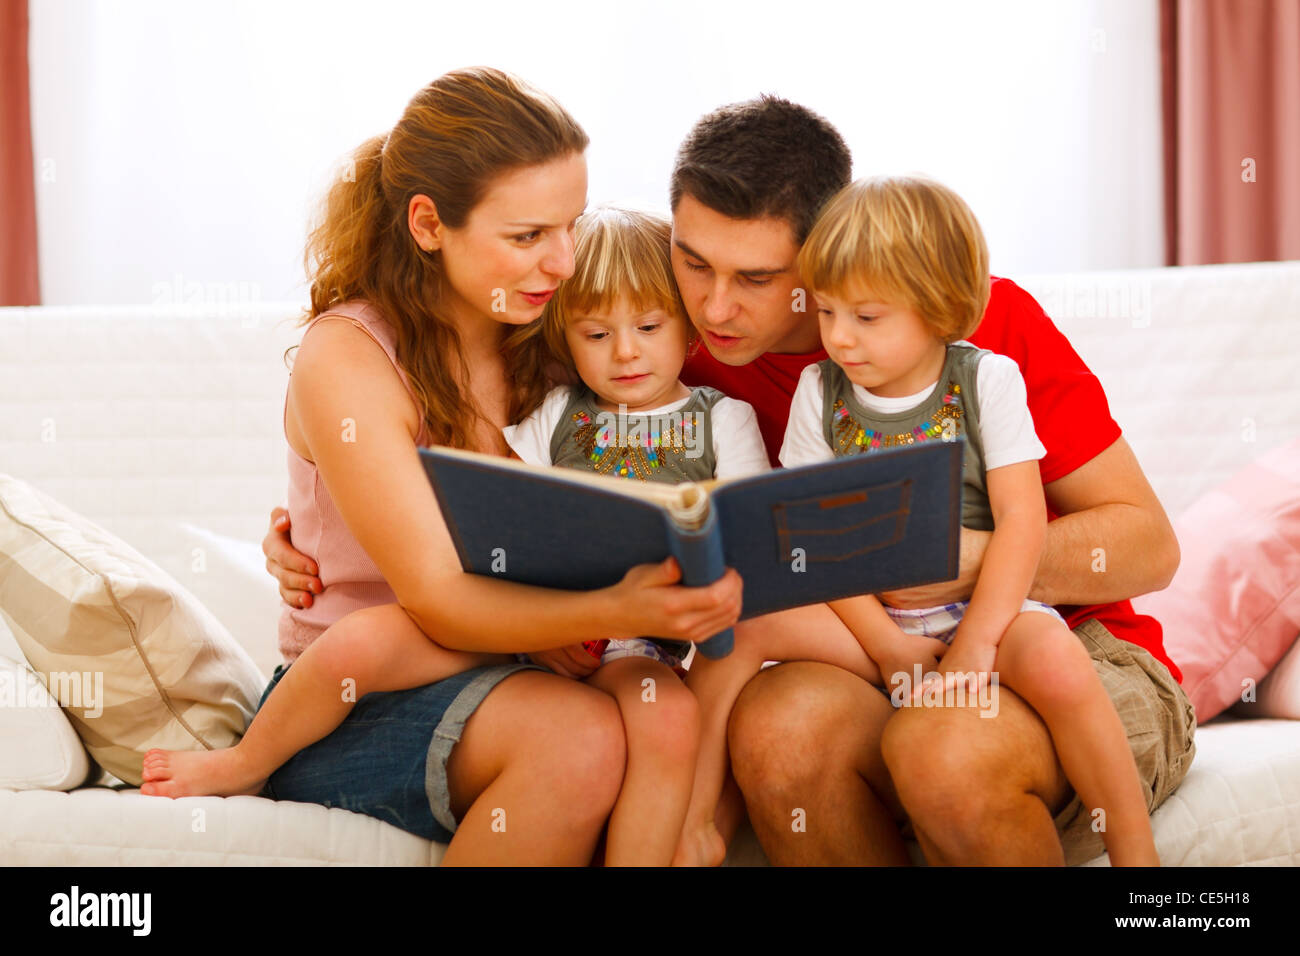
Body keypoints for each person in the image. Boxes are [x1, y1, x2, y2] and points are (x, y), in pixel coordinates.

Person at [265, 93, 1195, 866]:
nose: (715, 306)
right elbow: (500, 464)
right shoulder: (667, 358)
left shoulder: (969, 324)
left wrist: (962, 559)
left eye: (756, 279)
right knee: (780, 732)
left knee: (946, 748)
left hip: (1061, 651)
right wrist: (308, 540)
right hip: (872, 652)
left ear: (828, 254)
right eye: (694, 262)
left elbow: (1147, 545)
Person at [151, 67, 742, 867]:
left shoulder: (555, 327)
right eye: (528, 236)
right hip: (368, 693)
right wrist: (605, 608)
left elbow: (676, 437)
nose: (564, 261)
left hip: (531, 656)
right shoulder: (351, 356)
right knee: (582, 741)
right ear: (429, 225)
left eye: (569, 224)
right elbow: (434, 598)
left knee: (653, 723)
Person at [777, 174, 1159, 865]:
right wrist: (890, 650)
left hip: (992, 608)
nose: (838, 338)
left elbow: (1021, 521)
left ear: (940, 308)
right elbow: (814, 537)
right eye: (827, 312)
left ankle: (1140, 861)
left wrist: (980, 641)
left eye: (866, 318)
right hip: (882, 624)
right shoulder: (819, 393)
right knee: (753, 631)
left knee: (1059, 663)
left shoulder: (987, 380)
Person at [497, 203, 768, 864]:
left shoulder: (724, 420)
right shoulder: (555, 414)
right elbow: (500, 523)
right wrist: (542, 623)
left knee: (667, 715)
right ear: (564, 336)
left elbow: (751, 539)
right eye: (595, 334)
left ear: (689, 328)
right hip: (552, 636)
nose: (625, 352)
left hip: (656, 648)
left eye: (648, 326)